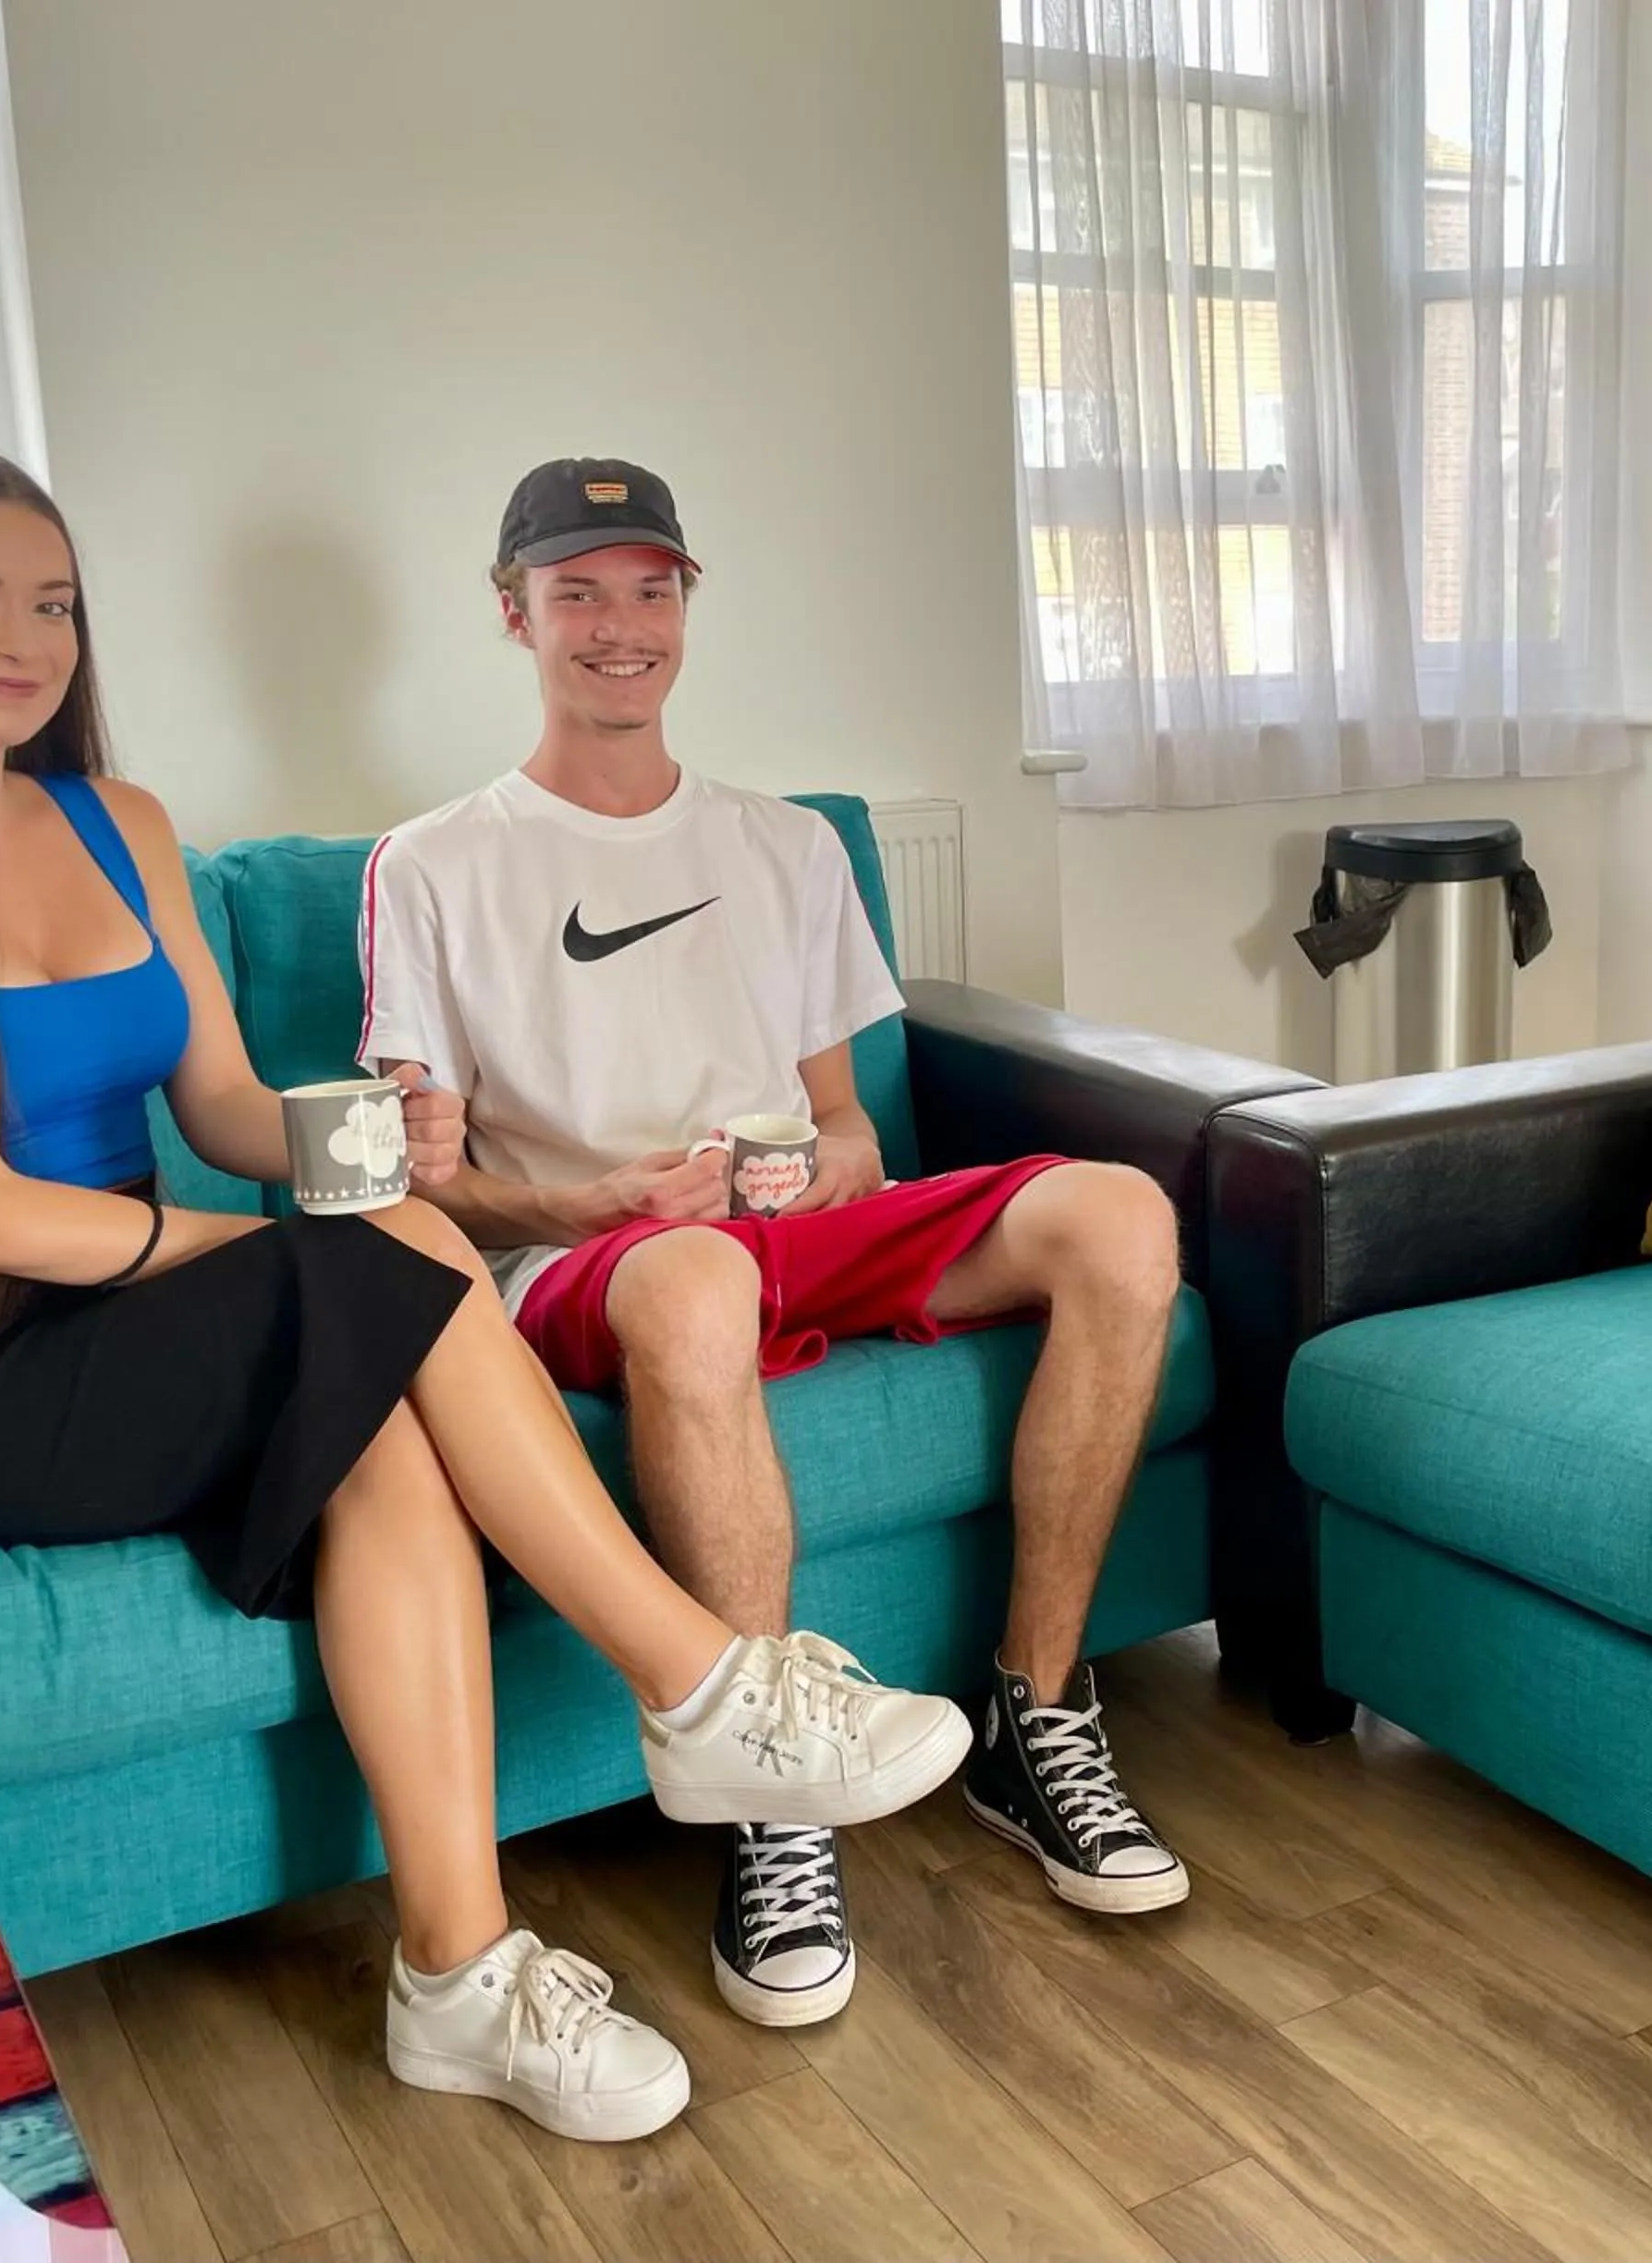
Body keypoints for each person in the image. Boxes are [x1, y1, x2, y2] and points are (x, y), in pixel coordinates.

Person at [0, 441, 973, 2147]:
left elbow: (228, 1111)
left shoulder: (119, 822)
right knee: (373, 1279)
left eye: (54, 604)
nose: (22, 638)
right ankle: (705, 1687)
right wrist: (294, 1250)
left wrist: (378, 1146)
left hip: (125, 1321)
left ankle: (457, 1982)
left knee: (386, 1413)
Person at [358, 458, 1191, 2036]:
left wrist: (811, 1175)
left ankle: (1040, 1706)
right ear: (512, 611)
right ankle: (772, 1797)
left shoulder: (789, 846)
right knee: (692, 1276)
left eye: (651, 588)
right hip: (601, 1267)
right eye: (579, 591)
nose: (620, 626)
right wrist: (590, 1204)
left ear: (687, 605)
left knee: (1121, 1214)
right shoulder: (437, 863)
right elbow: (438, 1196)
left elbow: (854, 1131)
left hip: (774, 1232)